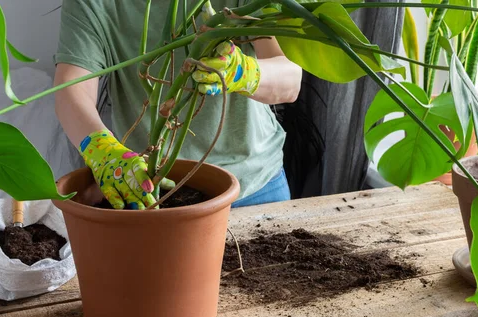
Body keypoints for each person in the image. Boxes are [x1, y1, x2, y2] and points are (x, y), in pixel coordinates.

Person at [53, 1, 302, 210]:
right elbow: (71, 88)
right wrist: (103, 152)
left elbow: (290, 80)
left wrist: (242, 72)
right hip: (153, 191)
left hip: (255, 184)